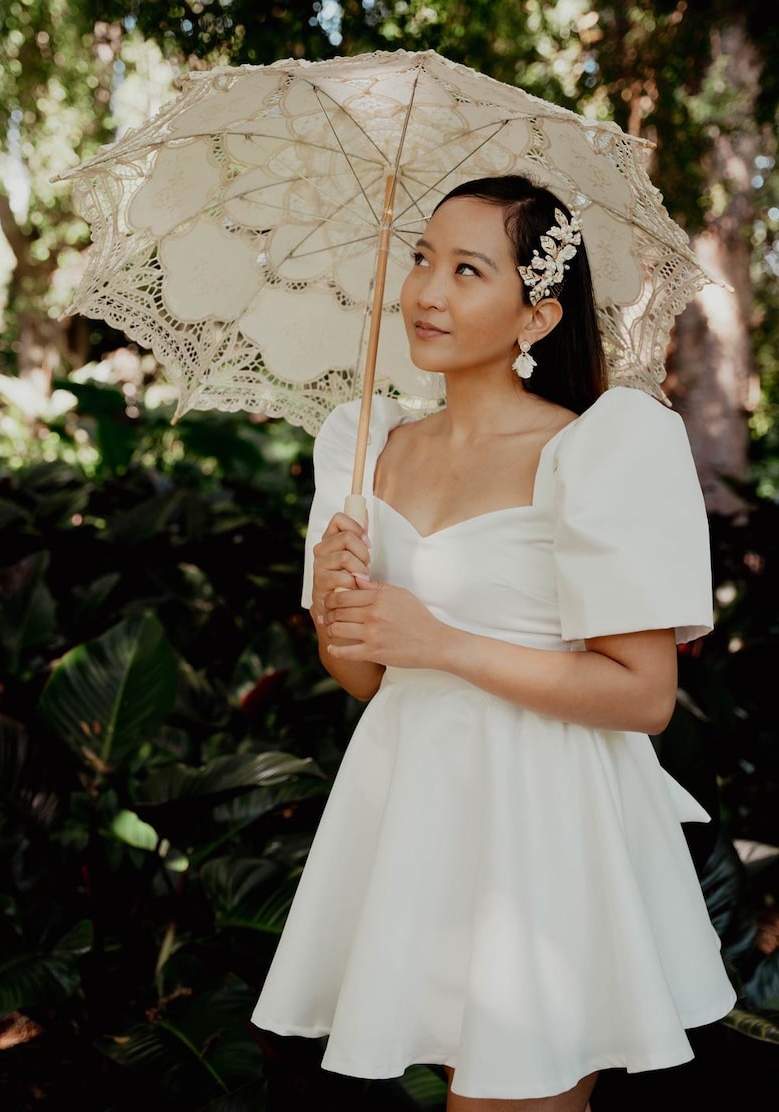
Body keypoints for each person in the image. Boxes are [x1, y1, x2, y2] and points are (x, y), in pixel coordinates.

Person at [251, 175, 736, 1110]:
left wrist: (442, 642)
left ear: (537, 313)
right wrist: (335, 604)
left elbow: (644, 694)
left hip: (545, 821)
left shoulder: (600, 447)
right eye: (423, 258)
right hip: (412, 814)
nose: (427, 291)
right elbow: (361, 677)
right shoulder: (365, 445)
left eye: (468, 269)